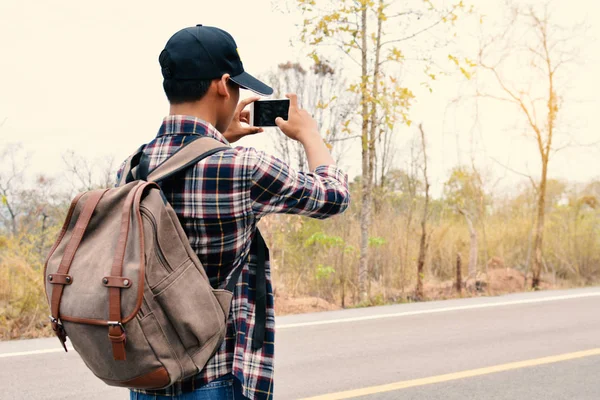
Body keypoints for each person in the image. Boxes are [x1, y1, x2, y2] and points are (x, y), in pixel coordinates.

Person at [120, 25, 350, 400]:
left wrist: (216, 140)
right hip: (219, 377)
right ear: (223, 86)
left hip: (150, 377)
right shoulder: (243, 168)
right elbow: (333, 196)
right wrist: (310, 135)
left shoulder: (133, 166)